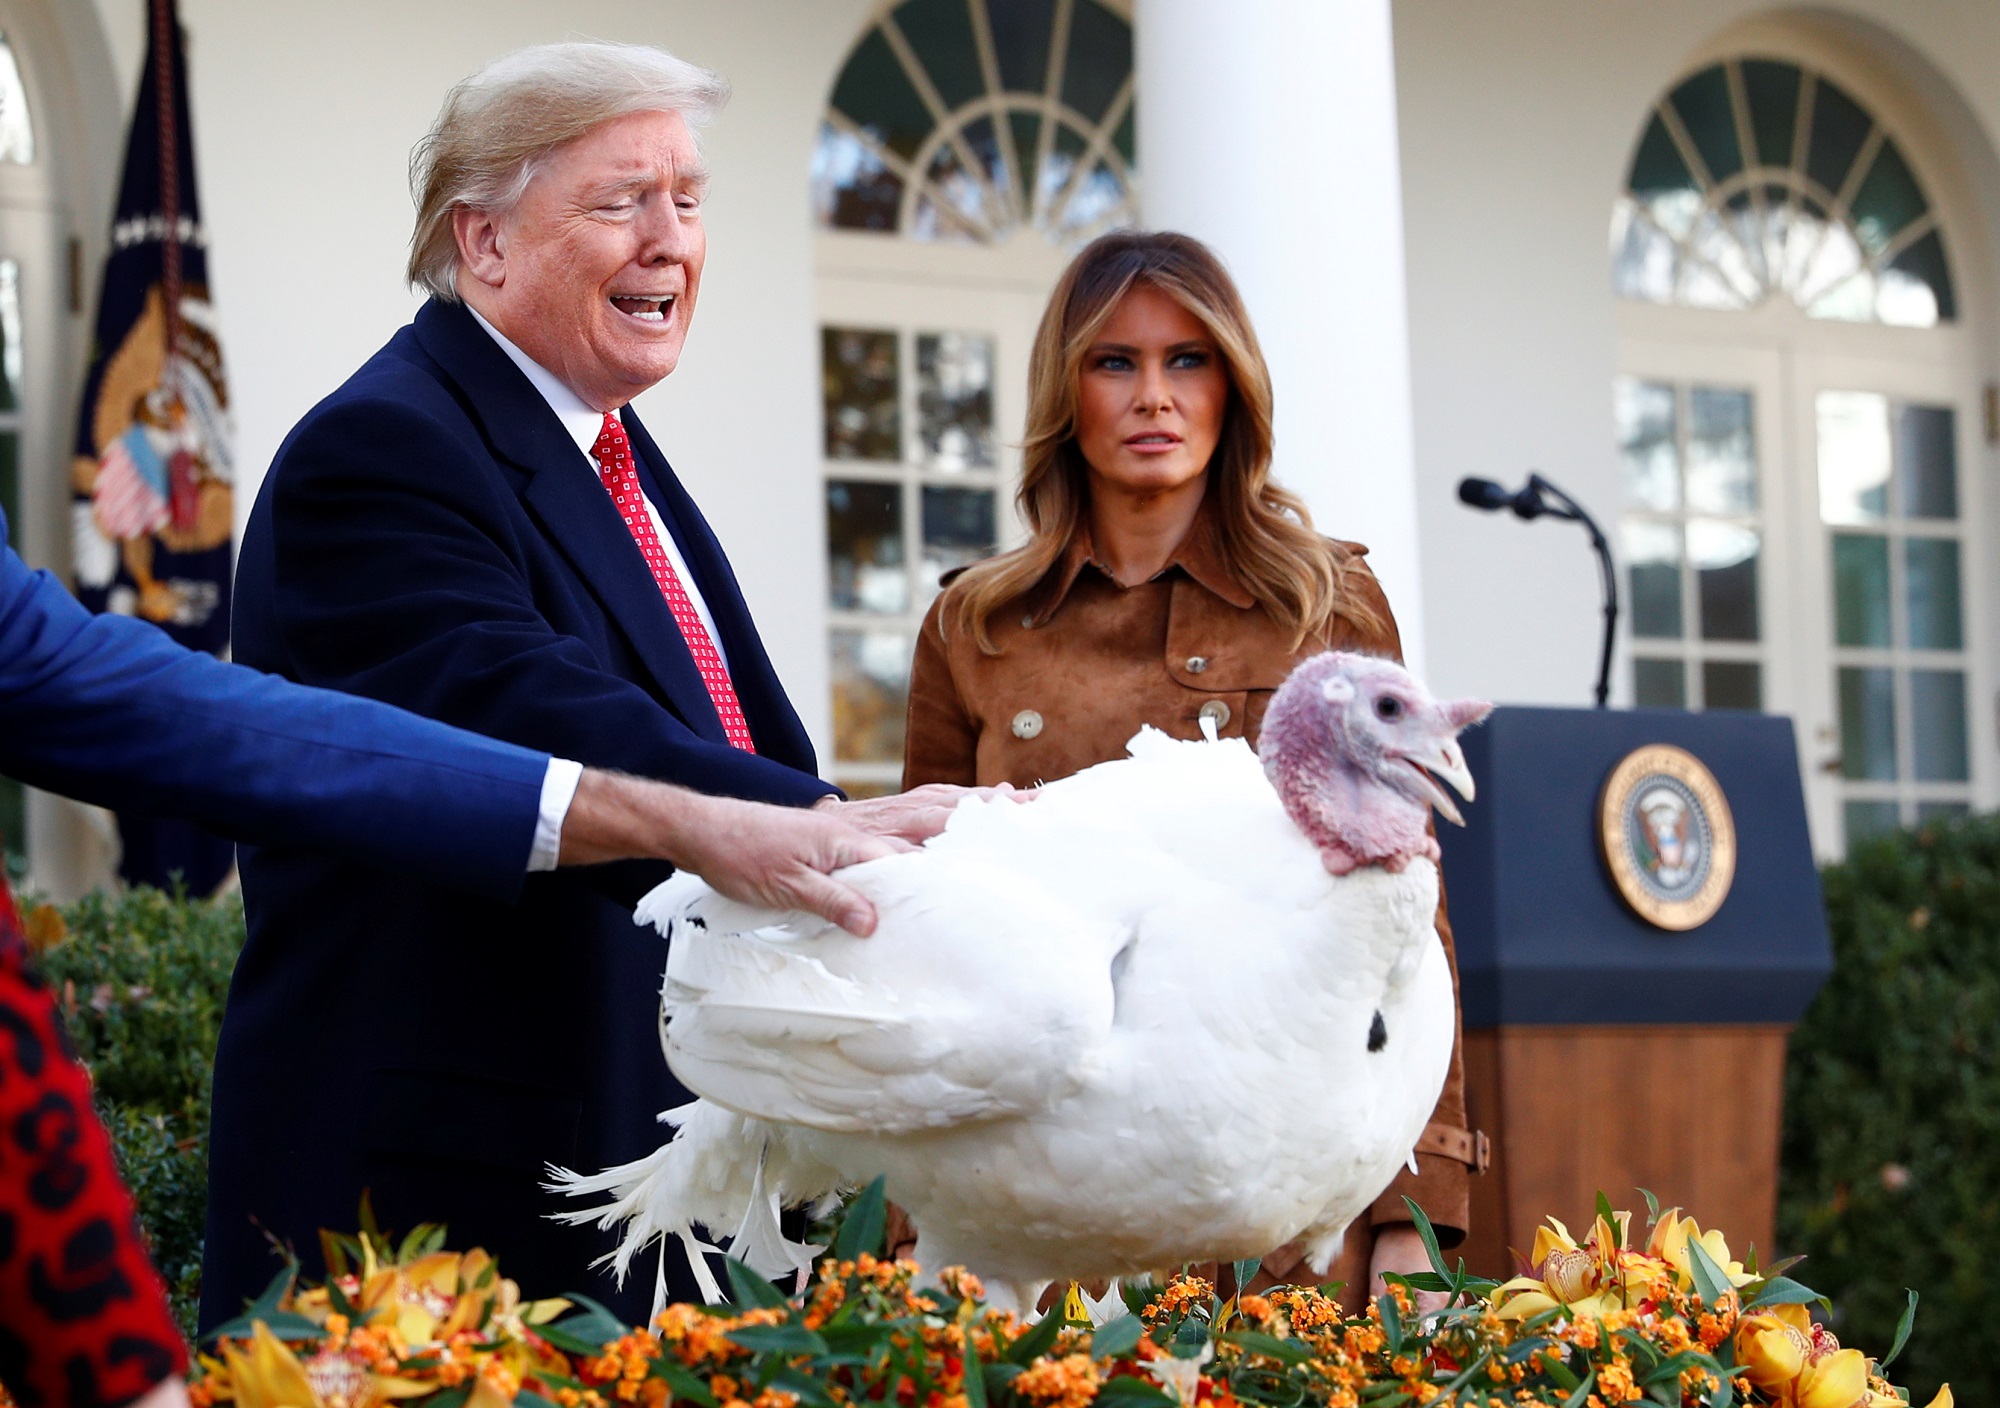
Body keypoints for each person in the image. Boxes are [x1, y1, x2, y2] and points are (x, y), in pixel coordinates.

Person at [200, 41, 974, 1332]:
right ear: (485, 243)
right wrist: (829, 834)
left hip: (638, 1186)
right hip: (454, 1222)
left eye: (689, 197)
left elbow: (709, 721)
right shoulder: (380, 450)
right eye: (623, 201)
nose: (671, 239)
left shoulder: (610, 446)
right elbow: (533, 708)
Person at [0, 507, 896, 1408]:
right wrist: (695, 820)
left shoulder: (626, 464)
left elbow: (101, 682)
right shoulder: (379, 444)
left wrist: (698, 821)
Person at [900, 230, 1486, 1307]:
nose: (1152, 396)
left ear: (1233, 387)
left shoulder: (1326, 603)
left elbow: (1407, 932)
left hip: (1275, 1212)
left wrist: (1414, 1211)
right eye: (1113, 362)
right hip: (1037, 1204)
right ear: (1064, 391)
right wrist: (905, 1216)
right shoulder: (971, 625)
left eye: (1187, 361)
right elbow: (920, 931)